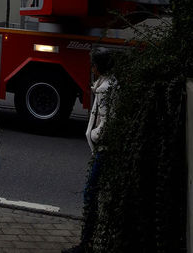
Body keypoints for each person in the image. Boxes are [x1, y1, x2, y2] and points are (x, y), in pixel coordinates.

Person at [63, 47, 116, 253]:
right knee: (97, 195)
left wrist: (94, 135)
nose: (91, 68)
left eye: (93, 64)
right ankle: (93, 241)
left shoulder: (105, 90)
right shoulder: (109, 84)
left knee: (90, 194)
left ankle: (87, 244)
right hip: (103, 149)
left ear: (98, 67)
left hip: (103, 149)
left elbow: (107, 121)